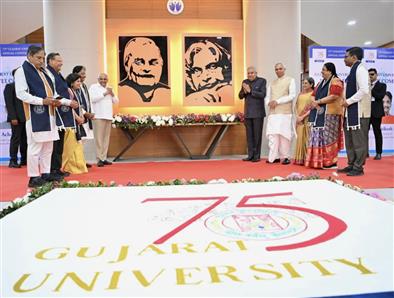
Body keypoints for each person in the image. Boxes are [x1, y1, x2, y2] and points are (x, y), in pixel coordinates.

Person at [14, 45, 67, 187]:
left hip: (49, 115)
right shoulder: (21, 71)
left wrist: (59, 100)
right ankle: (33, 177)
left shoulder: (44, 72)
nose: (41, 61)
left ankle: (45, 173)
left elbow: (52, 92)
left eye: (43, 58)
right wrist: (41, 101)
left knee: (48, 147)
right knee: (35, 147)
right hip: (35, 115)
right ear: (29, 56)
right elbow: (21, 94)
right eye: (38, 58)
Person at [305, 63, 344, 169]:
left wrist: (318, 101)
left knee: (329, 138)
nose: (322, 71)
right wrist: (314, 101)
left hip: (331, 114)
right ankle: (319, 161)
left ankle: (331, 162)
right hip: (319, 114)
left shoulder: (336, 81)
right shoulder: (320, 83)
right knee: (319, 137)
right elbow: (313, 95)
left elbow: (334, 96)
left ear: (330, 71)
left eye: (324, 70)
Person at [338, 47, 370, 176]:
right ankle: (351, 164)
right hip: (350, 112)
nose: (344, 59)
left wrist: (349, 101)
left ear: (354, 57)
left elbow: (364, 90)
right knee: (350, 141)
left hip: (359, 113)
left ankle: (358, 167)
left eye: (346, 56)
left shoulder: (360, 69)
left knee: (359, 142)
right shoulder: (353, 70)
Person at [46, 52, 79, 177]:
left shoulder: (58, 74)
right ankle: (52, 170)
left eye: (61, 60)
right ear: (50, 61)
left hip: (62, 112)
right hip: (55, 113)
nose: (61, 63)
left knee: (59, 144)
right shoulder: (48, 74)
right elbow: (54, 94)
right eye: (58, 61)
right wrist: (69, 102)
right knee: (54, 144)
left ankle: (57, 168)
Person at [118, 37, 170, 105]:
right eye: (139, 62)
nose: (147, 68)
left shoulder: (167, 92)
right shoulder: (119, 91)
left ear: (161, 64)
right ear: (127, 64)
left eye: (153, 62)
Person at [265, 63, 296, 165]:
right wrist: (268, 102)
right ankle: (274, 157)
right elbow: (268, 97)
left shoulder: (290, 80)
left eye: (280, 69)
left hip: (285, 113)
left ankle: (286, 157)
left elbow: (292, 95)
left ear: (284, 69)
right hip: (273, 113)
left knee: (284, 135)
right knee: (273, 135)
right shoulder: (272, 83)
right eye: (276, 69)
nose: (278, 71)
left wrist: (277, 102)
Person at [185, 39, 232, 104]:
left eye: (212, 66)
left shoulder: (231, 92)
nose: (205, 77)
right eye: (197, 70)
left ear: (225, 66)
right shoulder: (192, 99)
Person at [89, 73, 119, 167]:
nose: (103, 81)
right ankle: (99, 159)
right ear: (98, 79)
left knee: (106, 139)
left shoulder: (110, 88)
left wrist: (112, 94)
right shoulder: (93, 87)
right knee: (99, 139)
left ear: (107, 80)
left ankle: (104, 157)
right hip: (98, 116)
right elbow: (91, 99)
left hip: (108, 116)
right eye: (101, 79)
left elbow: (116, 101)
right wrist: (105, 93)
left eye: (105, 79)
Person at [238, 66, 266, 162]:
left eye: (252, 73)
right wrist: (244, 91)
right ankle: (250, 155)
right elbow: (240, 96)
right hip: (248, 113)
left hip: (258, 113)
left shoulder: (262, 81)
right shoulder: (245, 82)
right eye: (248, 73)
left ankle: (257, 156)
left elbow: (263, 94)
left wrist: (251, 91)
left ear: (256, 73)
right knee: (249, 136)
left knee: (257, 135)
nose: (250, 74)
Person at [63, 73, 88, 174]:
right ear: (72, 83)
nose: (80, 83)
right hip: (71, 122)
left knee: (78, 145)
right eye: (78, 81)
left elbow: (79, 106)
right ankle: (70, 167)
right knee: (71, 146)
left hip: (77, 122)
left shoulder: (76, 92)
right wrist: (77, 117)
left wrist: (81, 116)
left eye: (80, 81)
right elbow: (69, 107)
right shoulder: (68, 92)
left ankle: (78, 166)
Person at [72, 65, 95, 168]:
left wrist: (91, 112)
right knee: (78, 141)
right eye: (82, 73)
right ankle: (77, 162)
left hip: (86, 117)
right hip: (79, 117)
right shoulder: (74, 87)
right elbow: (78, 103)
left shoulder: (84, 85)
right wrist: (85, 113)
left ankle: (81, 161)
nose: (84, 75)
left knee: (83, 140)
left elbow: (88, 101)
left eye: (85, 73)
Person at [4, 69, 27, 168]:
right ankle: (13, 160)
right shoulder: (10, 86)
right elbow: (9, 104)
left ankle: (24, 159)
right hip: (16, 118)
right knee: (15, 139)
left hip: (26, 117)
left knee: (25, 139)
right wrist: (13, 117)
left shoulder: (26, 88)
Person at [293, 77, 314, 165]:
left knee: (307, 138)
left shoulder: (313, 94)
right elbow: (296, 106)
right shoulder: (300, 94)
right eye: (303, 83)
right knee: (300, 138)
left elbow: (312, 107)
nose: (304, 85)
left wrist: (303, 116)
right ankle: (299, 158)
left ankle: (307, 158)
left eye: (306, 83)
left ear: (311, 84)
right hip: (299, 119)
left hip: (307, 119)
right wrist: (297, 116)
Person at [368, 68, 387, 160]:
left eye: (372, 74)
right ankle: (364, 152)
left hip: (376, 113)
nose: (370, 76)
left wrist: (370, 88)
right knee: (364, 134)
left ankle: (379, 153)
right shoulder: (364, 85)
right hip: (366, 112)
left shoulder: (382, 85)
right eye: (369, 75)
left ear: (376, 75)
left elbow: (380, 96)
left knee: (377, 132)